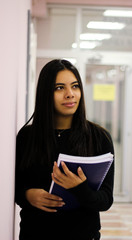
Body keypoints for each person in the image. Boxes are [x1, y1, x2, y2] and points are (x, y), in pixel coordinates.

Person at [15, 59, 114, 240]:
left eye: (75, 86)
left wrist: (79, 188)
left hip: (83, 235)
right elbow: (13, 186)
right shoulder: (27, 137)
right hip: (35, 233)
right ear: (46, 93)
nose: (70, 94)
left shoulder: (99, 137)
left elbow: (106, 201)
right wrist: (27, 195)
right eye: (59, 88)